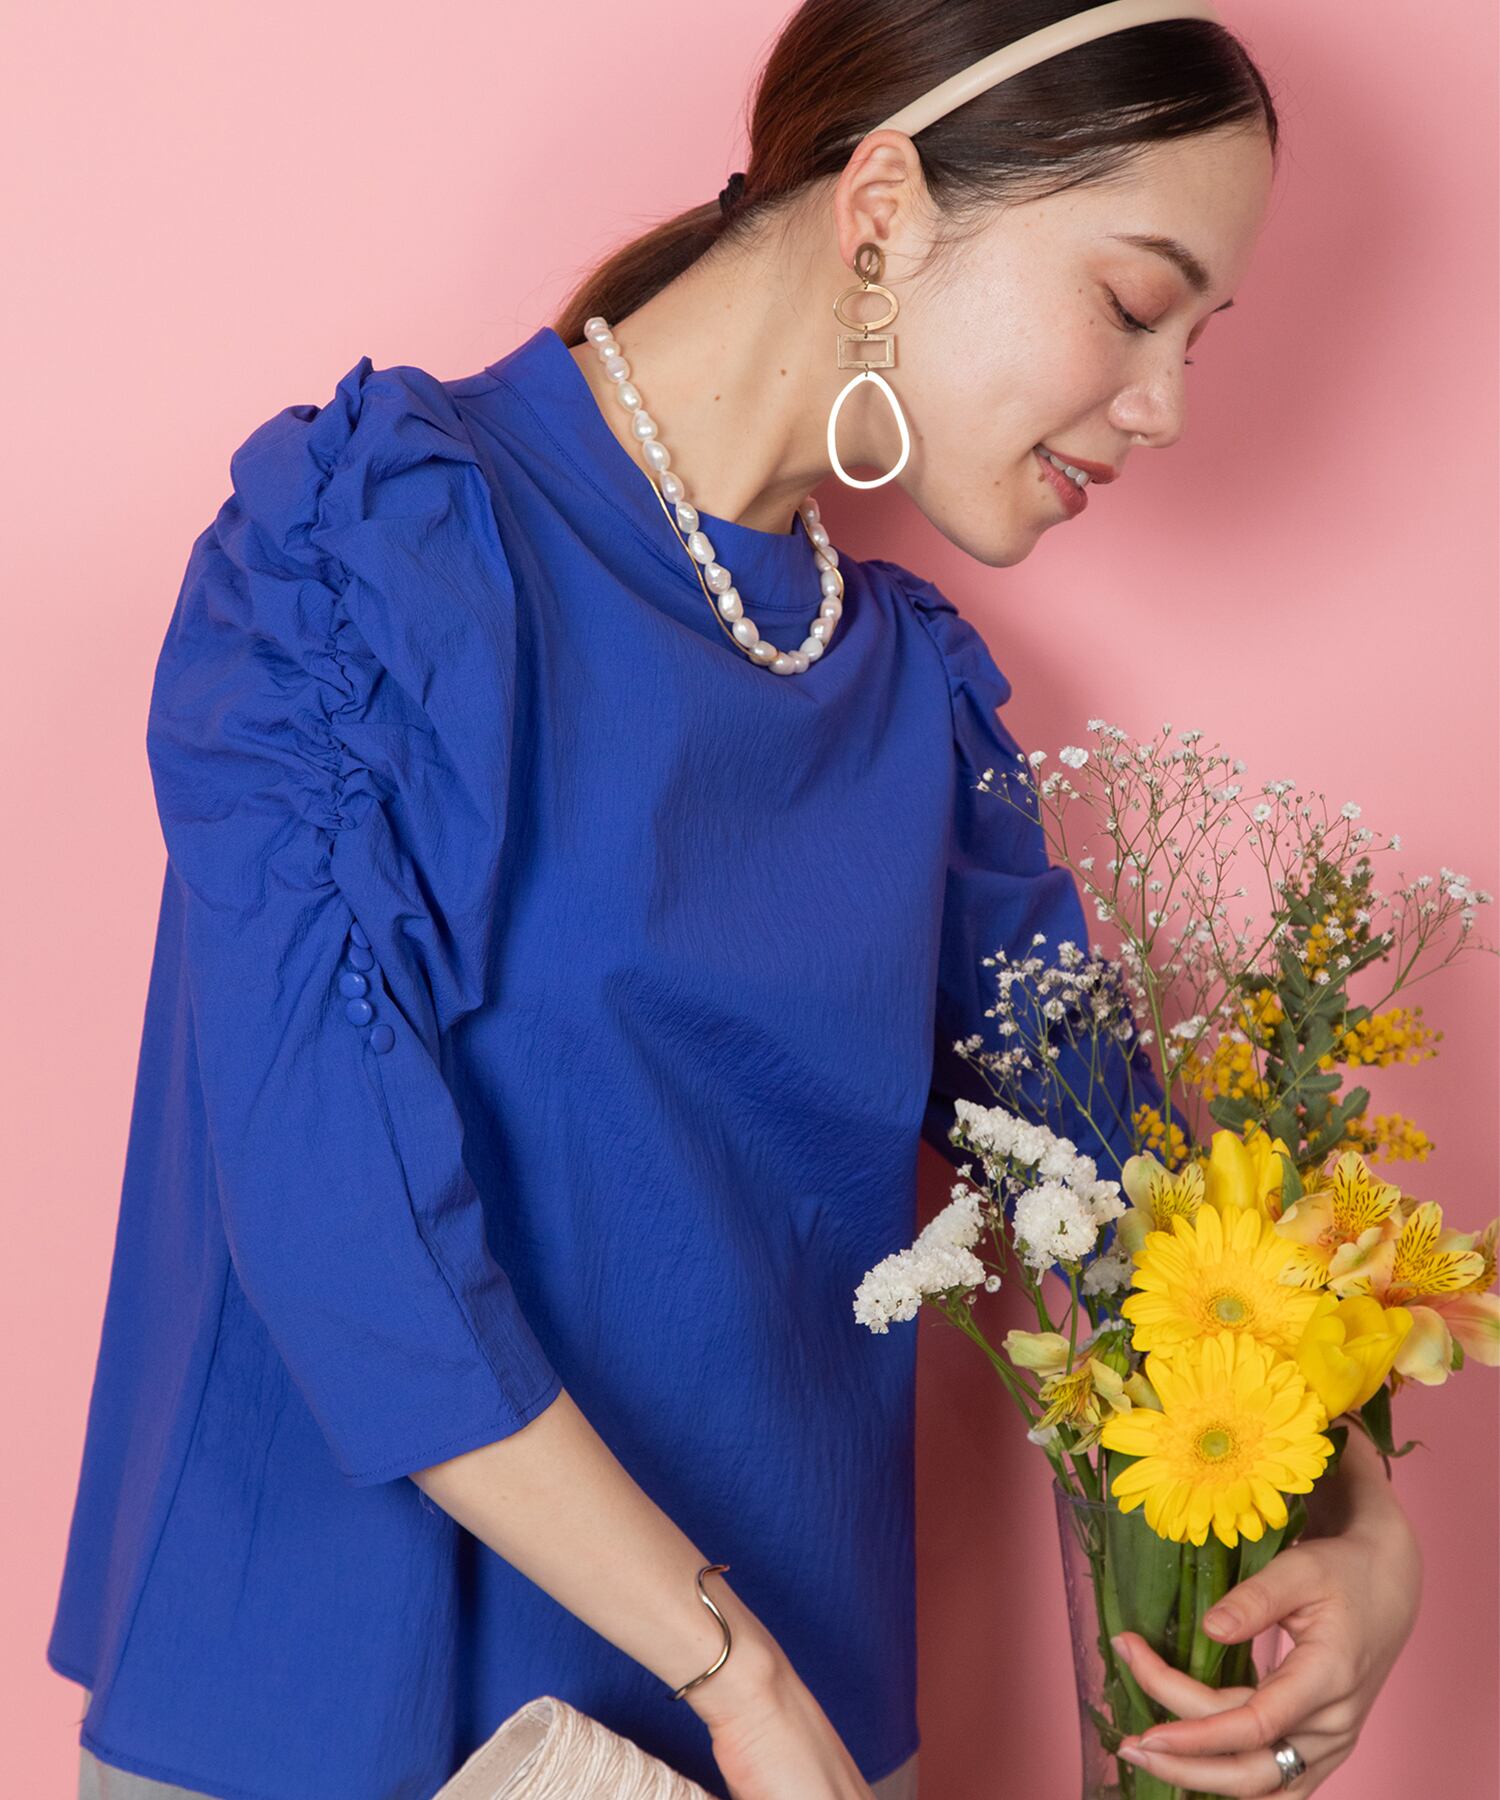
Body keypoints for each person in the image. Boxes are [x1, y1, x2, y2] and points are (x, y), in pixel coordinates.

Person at [50, 5, 1416, 1799]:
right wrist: (733, 1672)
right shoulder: (369, 547)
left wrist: (1364, 1522)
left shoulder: (912, 702)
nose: (1164, 407)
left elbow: (1131, 1204)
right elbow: (334, 1213)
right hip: (336, 1710)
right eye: (1132, 303)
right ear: (885, 211)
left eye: (1200, 339)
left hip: (791, 1751)